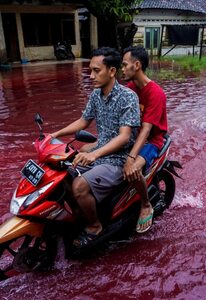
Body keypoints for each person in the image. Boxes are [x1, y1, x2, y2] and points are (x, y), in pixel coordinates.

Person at [50, 47, 140, 247]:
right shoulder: (96, 95)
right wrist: (54, 135)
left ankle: (94, 226)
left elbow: (125, 137)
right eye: (90, 70)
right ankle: (82, 213)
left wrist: (94, 153)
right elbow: (83, 121)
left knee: (79, 186)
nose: (91, 76)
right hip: (99, 152)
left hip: (119, 158)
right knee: (62, 175)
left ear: (112, 71)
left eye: (96, 70)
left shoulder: (128, 97)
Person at [121, 46, 168, 233]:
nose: (122, 69)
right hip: (133, 137)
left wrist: (131, 158)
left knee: (132, 170)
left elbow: (147, 130)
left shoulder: (156, 93)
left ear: (137, 65)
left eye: (125, 65)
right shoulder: (130, 89)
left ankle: (146, 203)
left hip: (151, 142)